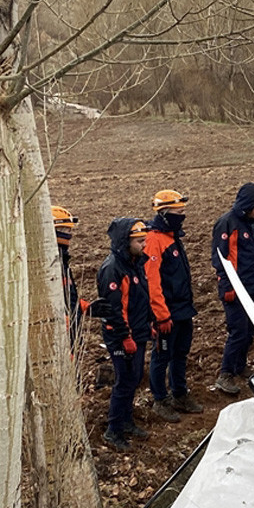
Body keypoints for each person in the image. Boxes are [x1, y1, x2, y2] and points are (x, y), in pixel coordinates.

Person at [144, 189, 203, 422]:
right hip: (166, 313)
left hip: (182, 309)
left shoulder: (172, 238)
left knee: (180, 353)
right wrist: (161, 315)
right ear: (165, 212)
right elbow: (152, 281)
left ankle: (180, 393)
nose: (183, 216)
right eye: (179, 212)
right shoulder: (155, 240)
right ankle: (160, 400)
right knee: (162, 355)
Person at [96, 218, 153, 451]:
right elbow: (114, 310)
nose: (144, 245)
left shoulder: (135, 263)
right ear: (125, 241)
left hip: (138, 333)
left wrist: (147, 323)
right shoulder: (112, 270)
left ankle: (127, 421)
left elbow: (140, 298)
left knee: (135, 377)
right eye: (140, 241)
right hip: (121, 337)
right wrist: (125, 337)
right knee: (125, 381)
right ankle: (113, 430)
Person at [211, 183, 254, 395]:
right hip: (236, 291)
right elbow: (221, 259)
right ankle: (225, 374)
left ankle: (239, 365)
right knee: (238, 331)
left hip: (252, 287)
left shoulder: (251, 225)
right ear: (249, 204)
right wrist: (228, 287)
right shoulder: (227, 224)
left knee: (251, 330)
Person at [52, 205, 88, 347]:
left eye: (69, 230)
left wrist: (84, 307)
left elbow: (67, 295)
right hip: (60, 336)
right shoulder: (50, 264)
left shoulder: (62, 260)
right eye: (64, 230)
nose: (68, 234)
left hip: (71, 331)